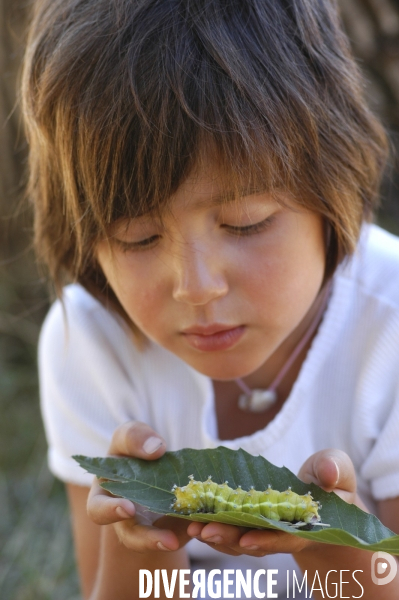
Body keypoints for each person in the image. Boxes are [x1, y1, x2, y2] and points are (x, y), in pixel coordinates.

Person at [21, 0, 399, 598]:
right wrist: (143, 542)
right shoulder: (89, 346)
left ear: (336, 184)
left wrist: (332, 542)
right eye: (137, 237)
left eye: (246, 222)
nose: (196, 287)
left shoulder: (390, 327)